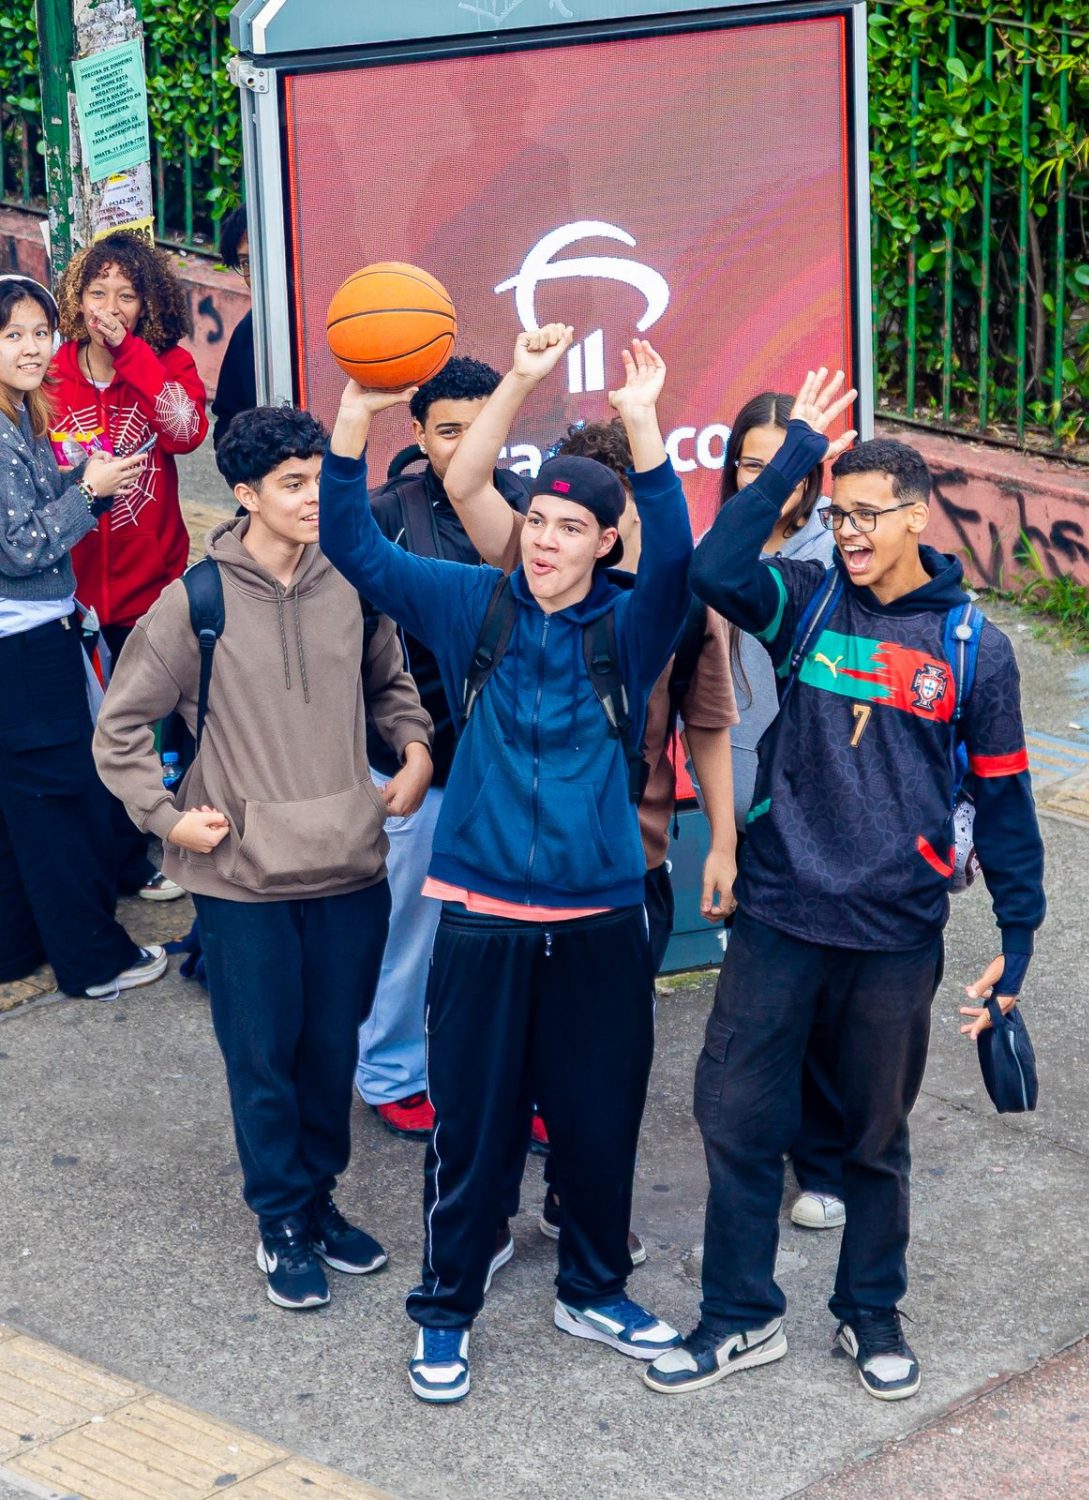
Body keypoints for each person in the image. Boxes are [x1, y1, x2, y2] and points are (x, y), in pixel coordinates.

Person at [645, 370, 1045, 1401]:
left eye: (868, 516)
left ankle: (869, 1312)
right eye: (838, 515)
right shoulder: (805, 601)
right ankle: (739, 1317)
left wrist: (1018, 940)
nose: (850, 533)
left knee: (873, 1143)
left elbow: (1005, 804)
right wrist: (796, 455)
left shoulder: (975, 650)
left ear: (916, 516)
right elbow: (715, 566)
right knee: (736, 1119)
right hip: (780, 912)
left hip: (894, 931)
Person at [320, 325, 692, 1403]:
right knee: (472, 1125)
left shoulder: (631, 626)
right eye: (536, 522)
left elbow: (679, 557)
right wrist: (352, 420)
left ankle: (595, 1289)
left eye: (570, 529)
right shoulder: (471, 603)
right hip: (479, 910)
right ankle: (446, 1307)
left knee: (598, 1120)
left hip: (598, 915)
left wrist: (643, 427)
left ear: (604, 544)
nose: (544, 542)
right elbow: (353, 544)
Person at [94, 406, 434, 1312]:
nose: (314, 496)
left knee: (328, 1054)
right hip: (242, 881)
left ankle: (318, 1201)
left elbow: (392, 688)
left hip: (350, 865)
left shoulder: (353, 581)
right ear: (244, 495)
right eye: (292, 483)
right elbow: (120, 729)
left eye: (319, 478)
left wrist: (414, 752)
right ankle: (280, 1218)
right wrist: (167, 819)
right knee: (263, 1060)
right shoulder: (195, 602)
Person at [492, 415, 738, 1261]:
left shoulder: (679, 605)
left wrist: (724, 841)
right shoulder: (520, 584)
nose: (564, 534)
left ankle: (579, 1200)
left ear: (624, 518)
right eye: (550, 517)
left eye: (604, 510)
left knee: (605, 1060)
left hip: (633, 867)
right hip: (519, 870)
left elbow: (707, 725)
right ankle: (487, 1214)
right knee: (507, 1050)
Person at [357, 355, 530, 1141]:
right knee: (409, 934)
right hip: (419, 764)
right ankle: (392, 1072)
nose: (464, 444)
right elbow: (357, 653)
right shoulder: (382, 513)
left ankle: (505, 1074)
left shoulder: (533, 506)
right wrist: (402, 747)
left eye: (479, 426)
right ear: (419, 434)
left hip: (511, 769)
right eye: (448, 430)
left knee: (509, 936)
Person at [0, 273, 166, 1001]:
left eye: (40, 332)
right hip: (25, 650)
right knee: (62, 805)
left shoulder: (20, 415)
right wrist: (92, 491)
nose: (32, 348)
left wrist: (80, 476)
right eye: (12, 334)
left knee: (21, 808)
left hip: (30, 642)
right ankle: (93, 961)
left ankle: (16, 948)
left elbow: (34, 509)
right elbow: (22, 547)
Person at [718, 391, 845, 1234]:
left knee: (821, 1002)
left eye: (786, 464)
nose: (766, 481)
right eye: (750, 464)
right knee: (763, 1007)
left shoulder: (833, 556)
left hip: (815, 809)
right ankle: (768, 1154)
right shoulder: (723, 549)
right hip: (739, 802)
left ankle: (827, 1164)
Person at [50, 231, 208, 661]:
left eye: (127, 296)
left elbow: (186, 434)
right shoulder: (51, 373)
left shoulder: (171, 364)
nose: (110, 309)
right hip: (68, 594)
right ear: (78, 302)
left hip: (153, 597)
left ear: (146, 305)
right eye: (97, 293)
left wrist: (130, 354)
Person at [211, 205, 256, 451]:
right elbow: (227, 424)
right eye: (246, 262)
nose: (257, 274)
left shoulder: (346, 323)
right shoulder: (248, 333)